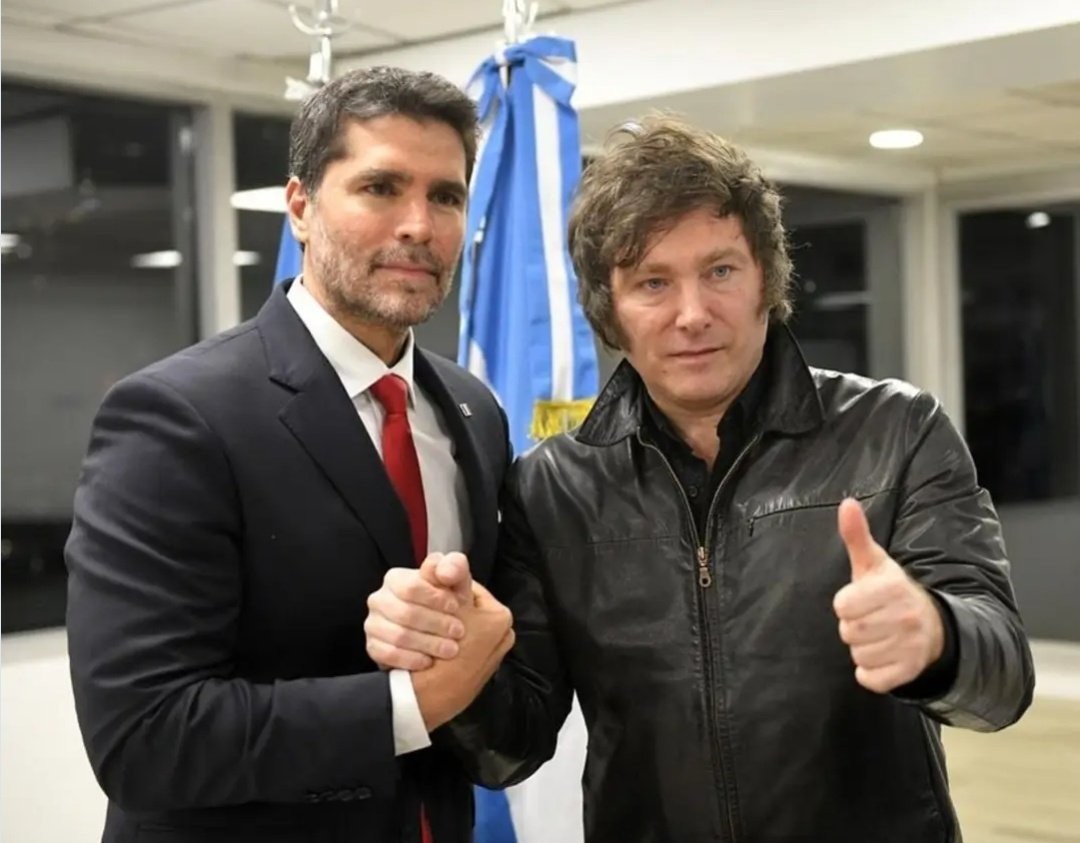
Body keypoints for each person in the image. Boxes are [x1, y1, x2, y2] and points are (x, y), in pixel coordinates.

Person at [364, 115, 1036, 842]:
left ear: (764, 282)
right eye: (653, 282)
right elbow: (512, 749)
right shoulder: (553, 486)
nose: (692, 314)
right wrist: (462, 668)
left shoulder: (895, 431)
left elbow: (1001, 685)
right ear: (611, 311)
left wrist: (939, 637)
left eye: (719, 270)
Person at [64, 66, 515, 843]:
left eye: (446, 195)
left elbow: (482, 664)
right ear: (301, 207)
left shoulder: (473, 411)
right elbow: (144, 735)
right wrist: (412, 704)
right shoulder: (177, 415)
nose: (419, 224)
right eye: (381, 187)